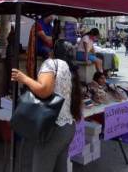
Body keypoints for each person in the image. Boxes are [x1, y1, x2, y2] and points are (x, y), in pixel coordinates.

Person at [11, 40, 83, 172]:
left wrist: (24, 78)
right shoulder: (69, 67)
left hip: (53, 129)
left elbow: (44, 91)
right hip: (68, 127)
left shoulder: (51, 64)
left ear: (53, 51)